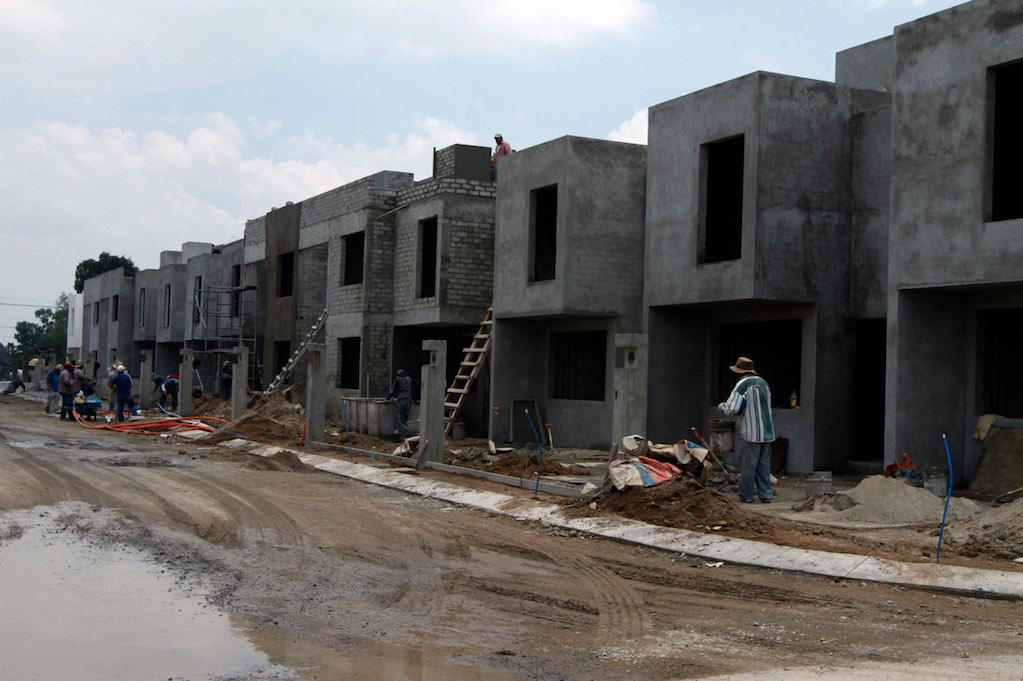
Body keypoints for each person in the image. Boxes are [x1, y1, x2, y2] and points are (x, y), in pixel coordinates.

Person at [718, 356, 775, 504]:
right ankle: (766, 495)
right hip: (768, 431)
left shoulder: (743, 384)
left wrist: (722, 406)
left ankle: (746, 496)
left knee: (748, 466)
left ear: (739, 372)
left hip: (752, 432)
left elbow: (732, 408)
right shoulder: (764, 383)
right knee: (764, 466)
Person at [387, 368, 413, 441]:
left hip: (401, 400)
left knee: (399, 417)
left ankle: (402, 437)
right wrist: (415, 400)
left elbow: (392, 390)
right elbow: (412, 390)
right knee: (405, 418)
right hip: (408, 400)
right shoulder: (409, 379)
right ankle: (404, 434)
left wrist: (388, 398)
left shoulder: (398, 379)